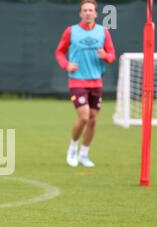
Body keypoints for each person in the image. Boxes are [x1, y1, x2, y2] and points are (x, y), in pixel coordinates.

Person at [56, 0, 115, 167]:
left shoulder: (103, 32)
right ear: (80, 14)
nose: (88, 12)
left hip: (96, 82)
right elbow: (60, 52)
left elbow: (111, 55)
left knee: (93, 119)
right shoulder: (71, 31)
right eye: (85, 10)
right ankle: (72, 148)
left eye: (91, 10)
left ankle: (84, 154)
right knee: (84, 116)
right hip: (77, 81)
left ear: (96, 13)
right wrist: (67, 64)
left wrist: (106, 56)